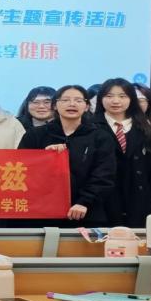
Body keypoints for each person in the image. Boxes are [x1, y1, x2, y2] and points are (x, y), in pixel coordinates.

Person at [18, 85, 116, 225]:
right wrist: (44, 157)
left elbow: (104, 174)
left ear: (87, 106)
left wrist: (85, 201)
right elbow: (22, 170)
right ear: (55, 106)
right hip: (42, 211)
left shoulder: (100, 136)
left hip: (86, 211)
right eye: (65, 100)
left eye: (78, 100)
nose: (72, 104)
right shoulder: (35, 135)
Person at [94, 78, 151, 226]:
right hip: (103, 203)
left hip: (140, 201)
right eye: (109, 96)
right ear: (100, 99)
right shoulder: (91, 127)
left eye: (122, 96)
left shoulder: (147, 129)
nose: (115, 101)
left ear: (131, 99)